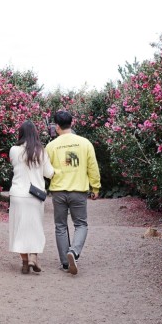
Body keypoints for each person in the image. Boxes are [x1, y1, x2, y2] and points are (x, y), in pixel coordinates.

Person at [45, 110, 101, 275]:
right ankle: (74, 252)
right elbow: (92, 166)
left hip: (58, 191)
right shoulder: (85, 143)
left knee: (60, 226)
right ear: (72, 123)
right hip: (79, 190)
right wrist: (95, 187)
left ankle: (64, 263)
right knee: (81, 224)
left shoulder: (51, 146)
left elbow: (45, 169)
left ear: (56, 126)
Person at [8, 120, 55, 274]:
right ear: (35, 133)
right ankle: (34, 257)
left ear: (20, 133)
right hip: (35, 195)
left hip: (18, 194)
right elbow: (49, 173)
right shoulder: (41, 151)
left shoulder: (14, 150)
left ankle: (24, 262)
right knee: (35, 227)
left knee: (19, 228)